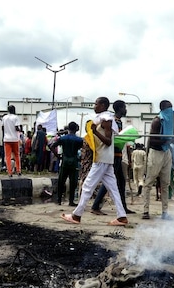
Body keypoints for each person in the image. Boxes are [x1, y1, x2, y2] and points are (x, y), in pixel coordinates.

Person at [61, 97, 128, 226]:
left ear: (103, 105)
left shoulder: (106, 119)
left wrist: (95, 131)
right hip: (105, 159)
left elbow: (108, 142)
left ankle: (76, 215)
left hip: (102, 158)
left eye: (96, 104)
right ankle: (121, 216)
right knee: (113, 189)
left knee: (87, 186)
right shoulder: (104, 118)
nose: (94, 106)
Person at [91, 100, 135, 215]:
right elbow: (114, 139)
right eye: (124, 107)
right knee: (109, 182)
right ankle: (96, 206)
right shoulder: (114, 121)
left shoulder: (117, 121)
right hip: (114, 154)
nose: (125, 110)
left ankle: (123, 207)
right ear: (120, 108)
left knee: (121, 182)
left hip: (118, 154)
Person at [141, 100, 174, 220]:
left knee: (165, 184)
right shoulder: (158, 121)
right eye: (168, 109)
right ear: (162, 109)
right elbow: (152, 140)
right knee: (149, 183)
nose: (170, 111)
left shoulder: (169, 122)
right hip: (156, 153)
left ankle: (165, 212)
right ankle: (145, 211)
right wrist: (170, 140)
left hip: (166, 152)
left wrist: (170, 141)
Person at [50, 121, 84, 206]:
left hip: (64, 160)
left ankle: (59, 200)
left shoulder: (63, 138)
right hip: (74, 160)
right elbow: (84, 150)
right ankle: (71, 201)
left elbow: (51, 146)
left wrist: (58, 156)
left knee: (61, 180)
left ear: (68, 128)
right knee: (73, 182)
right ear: (76, 129)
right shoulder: (79, 140)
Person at [2, 105, 23, 177]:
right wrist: (20, 129)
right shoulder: (16, 117)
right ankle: (18, 170)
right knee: (17, 155)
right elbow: (17, 128)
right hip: (14, 139)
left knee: (7, 156)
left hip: (6, 139)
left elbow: (2, 127)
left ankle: (9, 172)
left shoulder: (4, 118)